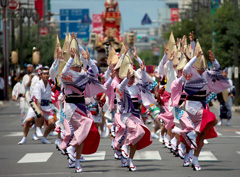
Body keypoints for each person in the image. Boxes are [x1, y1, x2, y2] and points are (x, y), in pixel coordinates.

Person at [58, 35, 106, 173]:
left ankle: (77, 162)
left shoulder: (82, 76)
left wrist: (87, 59)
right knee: (86, 125)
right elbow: (65, 70)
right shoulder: (66, 76)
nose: (78, 68)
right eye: (75, 66)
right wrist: (71, 58)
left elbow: (96, 72)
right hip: (71, 107)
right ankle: (71, 147)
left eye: (79, 66)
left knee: (82, 135)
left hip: (81, 106)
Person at [18, 66, 55, 145]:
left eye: (47, 74)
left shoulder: (50, 83)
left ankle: (44, 138)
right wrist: (40, 110)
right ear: (41, 75)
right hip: (35, 104)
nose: (46, 75)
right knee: (28, 121)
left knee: (52, 123)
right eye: (44, 74)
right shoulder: (38, 84)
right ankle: (25, 137)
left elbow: (53, 70)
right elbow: (37, 100)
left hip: (46, 106)